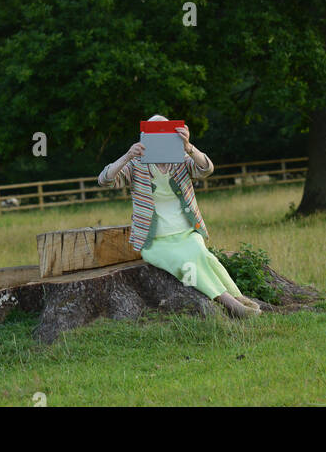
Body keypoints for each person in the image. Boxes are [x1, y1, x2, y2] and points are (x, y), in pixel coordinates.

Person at [98, 115, 261, 318]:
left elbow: (206, 169)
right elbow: (105, 180)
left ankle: (239, 300)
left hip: (186, 232)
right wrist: (127, 155)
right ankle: (232, 304)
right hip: (155, 241)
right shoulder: (137, 165)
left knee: (202, 255)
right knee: (185, 264)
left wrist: (189, 146)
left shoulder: (182, 161)